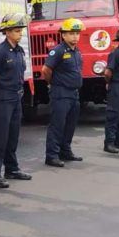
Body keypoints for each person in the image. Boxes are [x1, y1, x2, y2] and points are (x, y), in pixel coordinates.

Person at [0, 13, 33, 189]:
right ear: (7, 32)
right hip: (3, 97)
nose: (20, 34)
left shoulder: (19, 51)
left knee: (13, 135)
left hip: (16, 97)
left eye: (20, 30)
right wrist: (3, 87)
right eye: (16, 31)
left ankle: (12, 169)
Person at [42, 18, 85, 167]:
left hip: (74, 94)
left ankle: (65, 151)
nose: (75, 37)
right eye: (72, 33)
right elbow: (46, 70)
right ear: (63, 35)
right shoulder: (58, 50)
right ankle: (51, 156)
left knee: (70, 125)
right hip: (60, 93)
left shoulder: (77, 51)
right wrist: (52, 83)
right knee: (57, 125)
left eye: (77, 34)